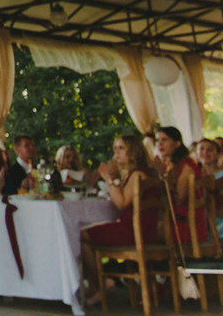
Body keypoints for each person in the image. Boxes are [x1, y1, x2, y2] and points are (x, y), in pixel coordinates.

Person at [81, 134, 156, 303]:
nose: (116, 153)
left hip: (134, 231)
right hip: (146, 230)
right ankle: (97, 285)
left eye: (121, 148)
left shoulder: (137, 174)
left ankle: (99, 285)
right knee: (92, 234)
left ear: (133, 151)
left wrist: (108, 178)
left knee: (82, 235)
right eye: (115, 148)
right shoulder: (146, 172)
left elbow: (121, 203)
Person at [154, 125, 206, 243]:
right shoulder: (168, 165)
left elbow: (178, 199)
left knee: (145, 235)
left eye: (164, 140)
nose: (159, 144)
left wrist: (162, 174)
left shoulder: (187, 166)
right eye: (157, 140)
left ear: (177, 144)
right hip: (171, 221)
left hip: (185, 225)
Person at [195, 138, 223, 238]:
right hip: (197, 220)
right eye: (201, 149)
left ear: (217, 154)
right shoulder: (193, 176)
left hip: (219, 223)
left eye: (210, 150)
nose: (205, 153)